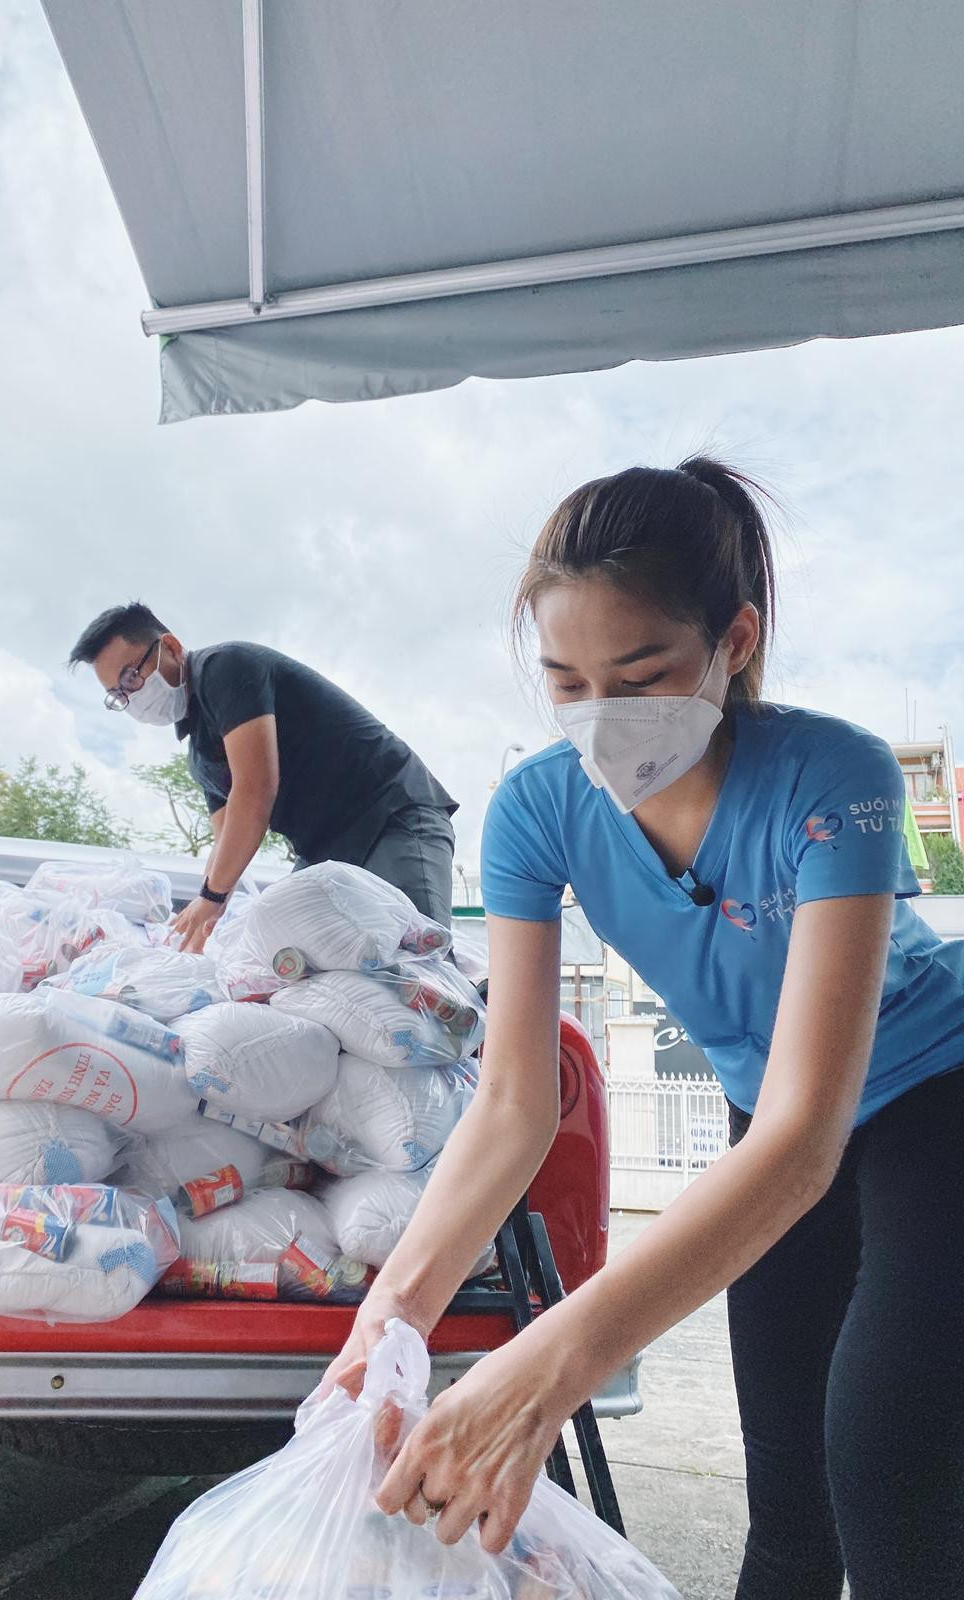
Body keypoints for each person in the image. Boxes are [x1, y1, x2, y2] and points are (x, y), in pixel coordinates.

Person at [323, 458, 964, 1600]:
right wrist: (396, 1308)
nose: (603, 717)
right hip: (762, 1105)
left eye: (644, 672)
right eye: (567, 682)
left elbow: (806, 1137)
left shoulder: (837, 775)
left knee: (891, 1464)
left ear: (736, 639)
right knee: (789, 1514)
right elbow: (516, 1100)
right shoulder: (537, 809)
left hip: (927, 1093)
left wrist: (551, 1365)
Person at [69, 604, 458, 950]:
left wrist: (212, 898)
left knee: (420, 958)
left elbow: (254, 792)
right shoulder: (200, 752)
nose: (132, 696)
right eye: (118, 695)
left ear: (169, 647)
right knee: (294, 956)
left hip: (390, 812)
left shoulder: (226, 668)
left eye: (131, 677)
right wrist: (198, 925)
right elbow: (225, 843)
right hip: (325, 849)